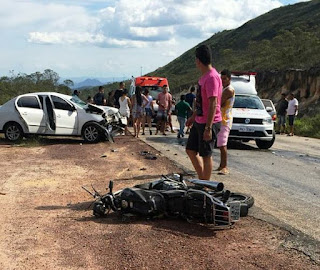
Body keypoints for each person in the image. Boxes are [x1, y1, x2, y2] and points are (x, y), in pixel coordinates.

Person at [185, 44, 222, 180]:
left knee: (206, 155)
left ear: (198, 60)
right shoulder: (204, 77)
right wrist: (193, 117)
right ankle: (202, 181)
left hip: (209, 122)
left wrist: (208, 127)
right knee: (190, 150)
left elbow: (213, 103)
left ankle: (206, 186)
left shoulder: (212, 77)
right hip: (199, 120)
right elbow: (202, 103)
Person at [216, 69, 235, 175]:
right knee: (220, 144)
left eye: (224, 79)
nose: (222, 81)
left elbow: (219, 102)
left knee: (222, 144)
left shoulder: (229, 90)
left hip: (225, 119)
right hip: (221, 118)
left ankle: (224, 166)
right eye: (221, 79)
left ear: (229, 78)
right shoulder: (224, 89)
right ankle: (221, 165)